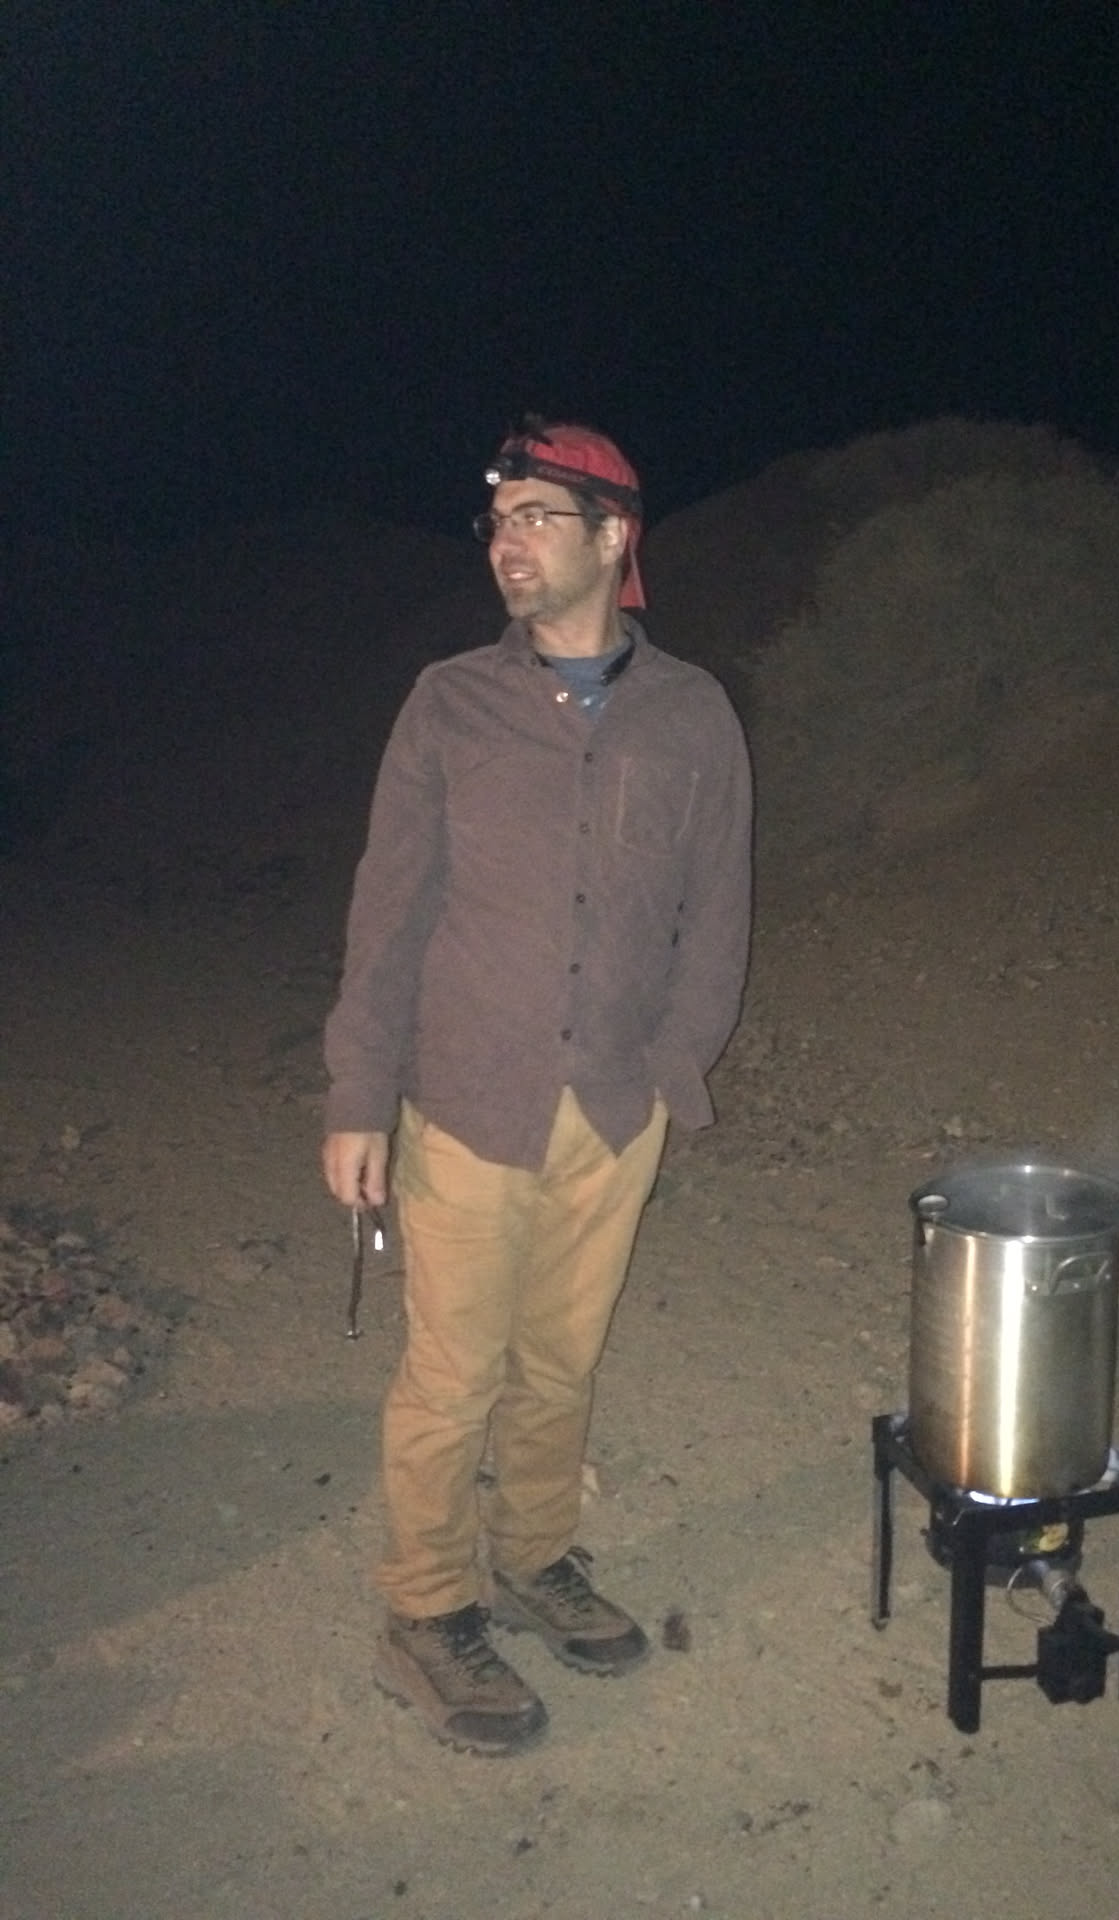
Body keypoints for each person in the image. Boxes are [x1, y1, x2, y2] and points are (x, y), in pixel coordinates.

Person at [321, 420, 752, 1755]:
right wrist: (356, 1094)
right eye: (497, 523)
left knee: (562, 1360)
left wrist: (674, 1065)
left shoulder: (693, 713)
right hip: (469, 1097)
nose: (506, 544)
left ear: (613, 537)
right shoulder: (450, 701)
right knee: (454, 1372)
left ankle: (535, 1557)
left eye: (534, 519)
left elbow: (717, 906)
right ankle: (426, 1608)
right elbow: (390, 908)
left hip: (615, 1108)